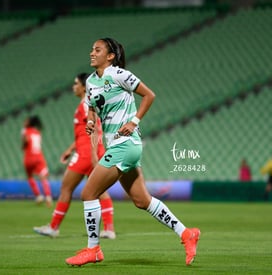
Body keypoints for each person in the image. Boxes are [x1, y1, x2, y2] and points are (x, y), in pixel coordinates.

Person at [65, 38, 200, 267]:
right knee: (141, 200)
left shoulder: (119, 74)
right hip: (119, 146)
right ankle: (187, 233)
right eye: (91, 49)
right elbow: (91, 107)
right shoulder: (90, 82)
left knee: (88, 194)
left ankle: (93, 249)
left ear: (110, 56)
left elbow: (149, 95)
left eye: (97, 50)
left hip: (125, 144)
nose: (91, 53)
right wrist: (90, 121)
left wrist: (135, 121)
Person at [33, 73, 116, 239]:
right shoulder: (89, 103)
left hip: (86, 153)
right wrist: (71, 149)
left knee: (66, 188)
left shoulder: (86, 104)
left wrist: (91, 154)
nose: (74, 86)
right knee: (99, 190)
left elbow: (94, 130)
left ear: (84, 87)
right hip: (92, 150)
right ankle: (109, 229)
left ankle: (54, 227)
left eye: (76, 83)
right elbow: (85, 132)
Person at [22, 115, 53, 207]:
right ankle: (48, 196)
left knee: (30, 176)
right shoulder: (37, 132)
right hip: (39, 156)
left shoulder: (26, 131)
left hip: (29, 157)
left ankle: (38, 195)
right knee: (43, 177)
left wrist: (23, 145)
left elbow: (26, 141)